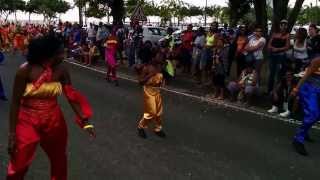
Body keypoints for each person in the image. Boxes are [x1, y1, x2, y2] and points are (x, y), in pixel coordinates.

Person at [6, 35, 96, 179]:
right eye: (61, 52)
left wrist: (85, 121)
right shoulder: (25, 71)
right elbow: (15, 102)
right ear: (49, 55)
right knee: (19, 162)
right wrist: (11, 135)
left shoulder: (62, 70)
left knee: (59, 159)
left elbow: (71, 96)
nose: (64, 54)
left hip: (54, 119)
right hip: (27, 120)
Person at [291, 57, 320, 156]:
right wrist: (296, 89)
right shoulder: (317, 60)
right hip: (309, 88)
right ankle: (298, 140)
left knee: (317, 115)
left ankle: (305, 131)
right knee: (313, 114)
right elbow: (306, 75)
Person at [136, 53, 166, 139]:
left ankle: (158, 129)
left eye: (162, 57)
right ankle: (140, 127)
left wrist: (162, 82)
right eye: (159, 57)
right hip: (148, 92)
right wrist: (150, 75)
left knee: (158, 112)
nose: (161, 58)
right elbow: (140, 81)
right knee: (151, 112)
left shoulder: (161, 67)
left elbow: (161, 79)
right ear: (154, 58)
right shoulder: (147, 67)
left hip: (157, 92)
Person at [267, 20, 290, 93]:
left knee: (278, 74)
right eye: (282, 24)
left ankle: (276, 91)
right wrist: (271, 48)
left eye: (285, 24)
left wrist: (277, 49)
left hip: (280, 56)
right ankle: (269, 91)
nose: (283, 26)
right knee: (271, 74)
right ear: (280, 25)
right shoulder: (274, 34)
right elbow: (269, 44)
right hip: (272, 55)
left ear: (286, 26)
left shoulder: (287, 35)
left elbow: (287, 47)